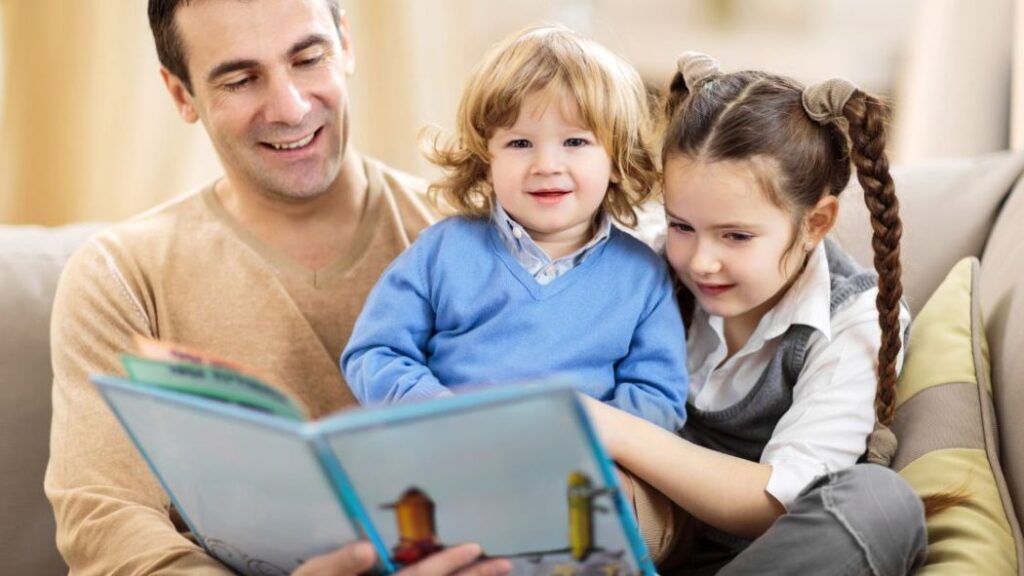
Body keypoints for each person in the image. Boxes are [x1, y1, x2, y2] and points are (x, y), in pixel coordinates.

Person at [44, 1, 508, 574]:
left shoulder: (480, 241)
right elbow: (107, 522)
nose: (289, 107)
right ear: (181, 94)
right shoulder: (121, 277)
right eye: (240, 80)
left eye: (308, 58)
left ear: (346, 43)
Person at [583, 52, 930, 575]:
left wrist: (613, 430)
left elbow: (775, 501)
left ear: (816, 223)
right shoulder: (646, 263)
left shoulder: (854, 320)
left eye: (736, 236)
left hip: (769, 561)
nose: (700, 260)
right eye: (682, 226)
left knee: (881, 503)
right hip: (639, 541)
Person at [341, 25, 688, 431]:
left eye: (575, 142)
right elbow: (374, 352)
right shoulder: (440, 252)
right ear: (485, 159)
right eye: (520, 143)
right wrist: (439, 413)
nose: (546, 165)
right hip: (448, 455)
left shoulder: (642, 276)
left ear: (616, 161)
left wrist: (583, 440)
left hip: (576, 474)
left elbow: (658, 397)